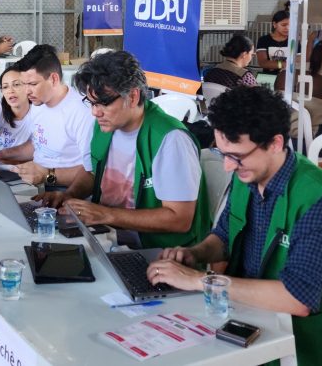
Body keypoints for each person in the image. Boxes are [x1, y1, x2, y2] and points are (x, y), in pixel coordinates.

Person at [147, 86, 322, 366]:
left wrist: (200, 280)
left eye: (236, 156)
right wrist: (194, 254)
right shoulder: (248, 174)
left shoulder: (321, 198)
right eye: (223, 153)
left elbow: (299, 299)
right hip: (247, 315)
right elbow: (224, 236)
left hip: (302, 342)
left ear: (275, 143)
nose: (227, 166)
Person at [40, 51, 211, 248]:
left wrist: (105, 214)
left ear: (132, 96)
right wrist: (69, 196)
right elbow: (93, 173)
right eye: (92, 103)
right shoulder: (104, 127)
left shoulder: (170, 139)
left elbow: (179, 219)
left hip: (159, 252)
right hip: (106, 238)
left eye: (103, 103)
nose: (95, 112)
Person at [0, 45, 94, 187]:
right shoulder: (38, 103)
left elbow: (92, 173)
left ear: (53, 79)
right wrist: (0, 155)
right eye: (24, 84)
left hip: (66, 189)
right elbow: (38, 145)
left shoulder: (82, 112)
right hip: (37, 183)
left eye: (33, 84)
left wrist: (47, 175)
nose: (27, 91)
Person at [256, 10, 292, 74]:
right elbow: (263, 63)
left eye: (290, 25)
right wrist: (283, 64)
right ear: (274, 24)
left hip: (287, 78)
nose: (287, 28)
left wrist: (273, 64)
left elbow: (298, 61)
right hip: (269, 77)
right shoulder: (264, 40)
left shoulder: (293, 41)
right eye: (283, 25)